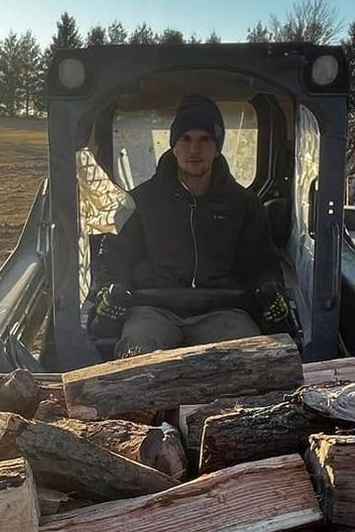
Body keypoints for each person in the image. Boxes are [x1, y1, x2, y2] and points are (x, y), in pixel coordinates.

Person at [91, 93, 295, 356]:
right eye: (185, 139)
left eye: (204, 139)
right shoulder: (139, 202)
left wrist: (269, 289)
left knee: (250, 358)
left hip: (224, 310)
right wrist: (109, 289)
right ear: (173, 147)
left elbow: (262, 263)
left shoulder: (244, 205)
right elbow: (115, 256)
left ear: (217, 147)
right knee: (137, 352)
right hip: (153, 309)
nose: (194, 149)